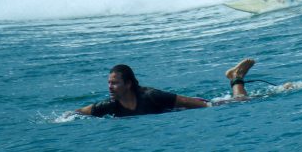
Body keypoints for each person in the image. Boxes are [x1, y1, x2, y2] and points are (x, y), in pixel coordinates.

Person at [75, 57, 256, 117]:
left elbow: (183, 100)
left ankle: (236, 77)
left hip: (188, 106)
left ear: (128, 84)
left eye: (114, 83)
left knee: (241, 101)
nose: (110, 87)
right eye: (109, 83)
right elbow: (80, 112)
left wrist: (209, 107)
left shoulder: (151, 96)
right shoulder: (109, 105)